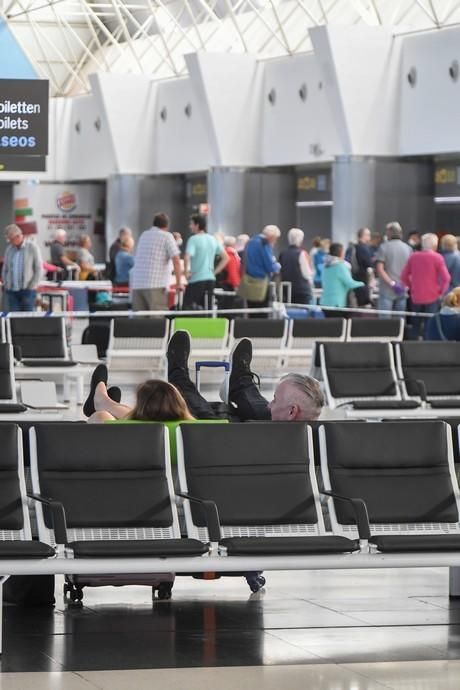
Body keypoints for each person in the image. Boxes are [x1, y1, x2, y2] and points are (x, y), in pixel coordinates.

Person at [167, 330, 324, 422]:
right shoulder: (320, 442)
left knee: (201, 410)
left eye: (274, 399)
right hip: (269, 428)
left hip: (228, 438)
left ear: (292, 412)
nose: (269, 404)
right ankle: (239, 383)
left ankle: (177, 373)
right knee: (258, 408)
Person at [400, 233, 450, 339]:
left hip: (416, 296)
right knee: (430, 325)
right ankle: (428, 350)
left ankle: (411, 349)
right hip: (433, 296)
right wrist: (441, 292)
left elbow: (404, 276)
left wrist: (412, 286)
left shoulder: (413, 257)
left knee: (415, 325)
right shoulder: (438, 258)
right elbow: (446, 278)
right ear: (435, 245)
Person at [86, 375, 194, 424]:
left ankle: (101, 401)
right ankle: (104, 401)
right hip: (174, 467)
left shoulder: (136, 431)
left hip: (126, 449)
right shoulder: (196, 430)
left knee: (101, 415)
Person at [130, 212, 182, 311]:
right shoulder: (167, 236)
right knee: (156, 320)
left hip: (137, 285)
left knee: (139, 321)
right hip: (156, 285)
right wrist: (179, 283)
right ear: (167, 226)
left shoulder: (144, 235)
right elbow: (176, 259)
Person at [183, 214, 229, 309]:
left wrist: (186, 273)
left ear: (197, 225)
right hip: (210, 279)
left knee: (188, 308)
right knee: (207, 309)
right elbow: (226, 258)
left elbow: (187, 256)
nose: (190, 226)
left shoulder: (193, 239)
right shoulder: (212, 239)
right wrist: (215, 272)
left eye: (191, 224)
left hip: (196, 279)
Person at [240, 225, 281, 316]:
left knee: (251, 311)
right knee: (262, 312)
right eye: (276, 238)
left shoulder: (250, 242)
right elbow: (269, 265)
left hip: (248, 281)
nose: (275, 241)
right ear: (271, 236)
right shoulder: (264, 243)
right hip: (260, 283)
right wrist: (277, 266)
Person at [375, 222, 412, 317]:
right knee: (399, 323)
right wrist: (405, 285)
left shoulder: (384, 247)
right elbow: (411, 270)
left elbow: (380, 269)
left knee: (385, 324)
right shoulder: (408, 248)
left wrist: (392, 283)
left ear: (389, 232)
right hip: (403, 289)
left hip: (386, 290)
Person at [2, 224, 43, 312]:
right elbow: (5, 269)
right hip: (12, 291)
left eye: (11, 239)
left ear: (18, 236)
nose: (10, 242)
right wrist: (6, 283)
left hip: (28, 291)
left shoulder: (32, 247)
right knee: (13, 320)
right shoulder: (9, 249)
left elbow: (39, 269)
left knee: (27, 319)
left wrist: (31, 286)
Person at [319, 242, 364, 313]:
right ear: (340, 253)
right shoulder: (340, 266)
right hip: (337, 303)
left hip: (325, 302)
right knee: (339, 323)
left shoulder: (325, 266)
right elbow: (350, 283)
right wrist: (363, 284)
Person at [279, 227, 313, 304]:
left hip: (286, 290)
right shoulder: (302, 253)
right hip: (302, 290)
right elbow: (307, 274)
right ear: (301, 239)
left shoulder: (283, 253)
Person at [348, 227, 374, 306]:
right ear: (364, 235)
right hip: (363, 281)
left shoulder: (353, 247)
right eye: (368, 235)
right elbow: (369, 264)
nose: (369, 237)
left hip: (355, 278)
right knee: (363, 305)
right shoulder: (363, 249)